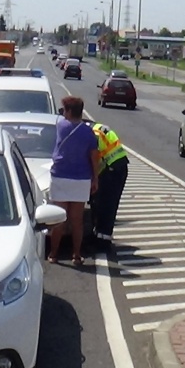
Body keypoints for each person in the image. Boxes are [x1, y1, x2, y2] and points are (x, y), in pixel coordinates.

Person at [48, 96, 100, 265]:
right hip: (81, 179)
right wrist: (95, 178)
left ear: (69, 111)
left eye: (64, 110)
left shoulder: (61, 126)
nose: (63, 113)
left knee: (59, 219)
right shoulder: (88, 132)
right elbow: (94, 157)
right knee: (77, 220)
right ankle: (76, 255)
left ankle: (53, 254)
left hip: (60, 176)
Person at [89, 121, 128, 253]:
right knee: (105, 204)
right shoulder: (96, 129)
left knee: (107, 205)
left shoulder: (93, 135)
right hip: (117, 165)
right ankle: (100, 236)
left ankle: (103, 242)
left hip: (113, 169)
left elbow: (95, 160)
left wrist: (94, 178)